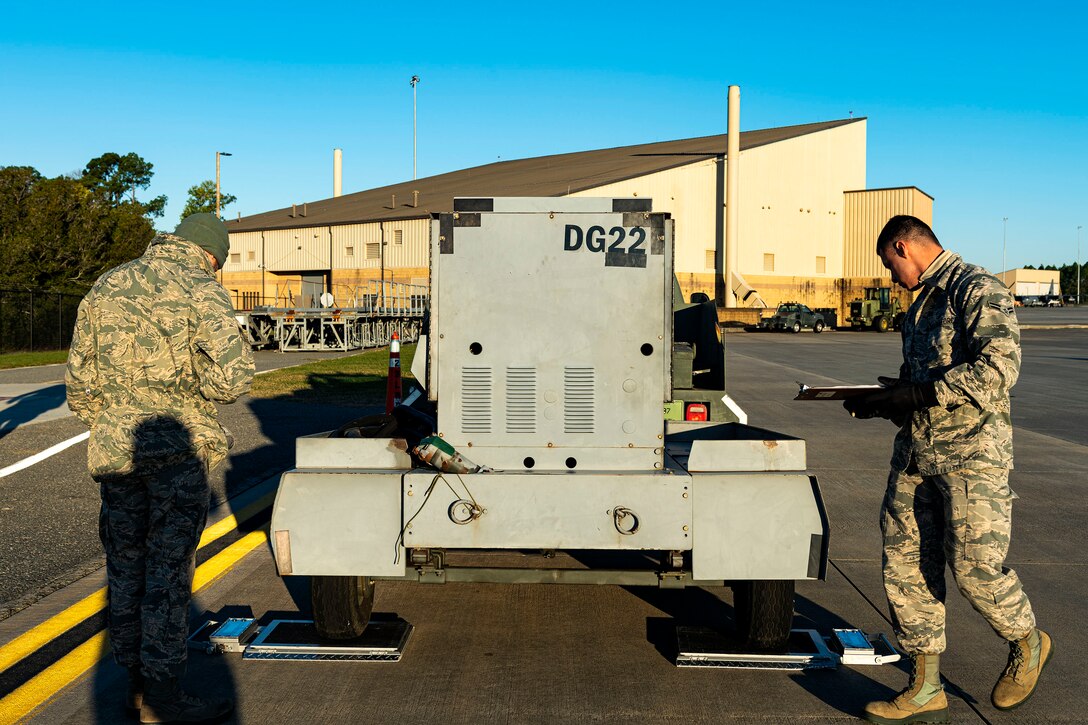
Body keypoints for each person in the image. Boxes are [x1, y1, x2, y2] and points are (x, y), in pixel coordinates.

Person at [843, 215, 1050, 724]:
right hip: (916, 455)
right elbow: (928, 381)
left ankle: (1027, 641)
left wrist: (917, 392)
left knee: (976, 571)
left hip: (970, 457)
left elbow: (999, 369)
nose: (891, 277)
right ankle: (926, 684)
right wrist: (888, 399)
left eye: (890, 265)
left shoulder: (975, 289)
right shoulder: (923, 305)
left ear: (903, 246)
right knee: (906, 566)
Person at [67, 213, 254, 723]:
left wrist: (116, 417)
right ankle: (164, 697)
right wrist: (193, 393)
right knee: (168, 577)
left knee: (125, 569)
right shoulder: (201, 289)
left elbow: (79, 388)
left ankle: (131, 685)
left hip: (116, 454)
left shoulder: (107, 285)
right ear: (212, 255)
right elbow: (232, 381)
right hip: (176, 454)